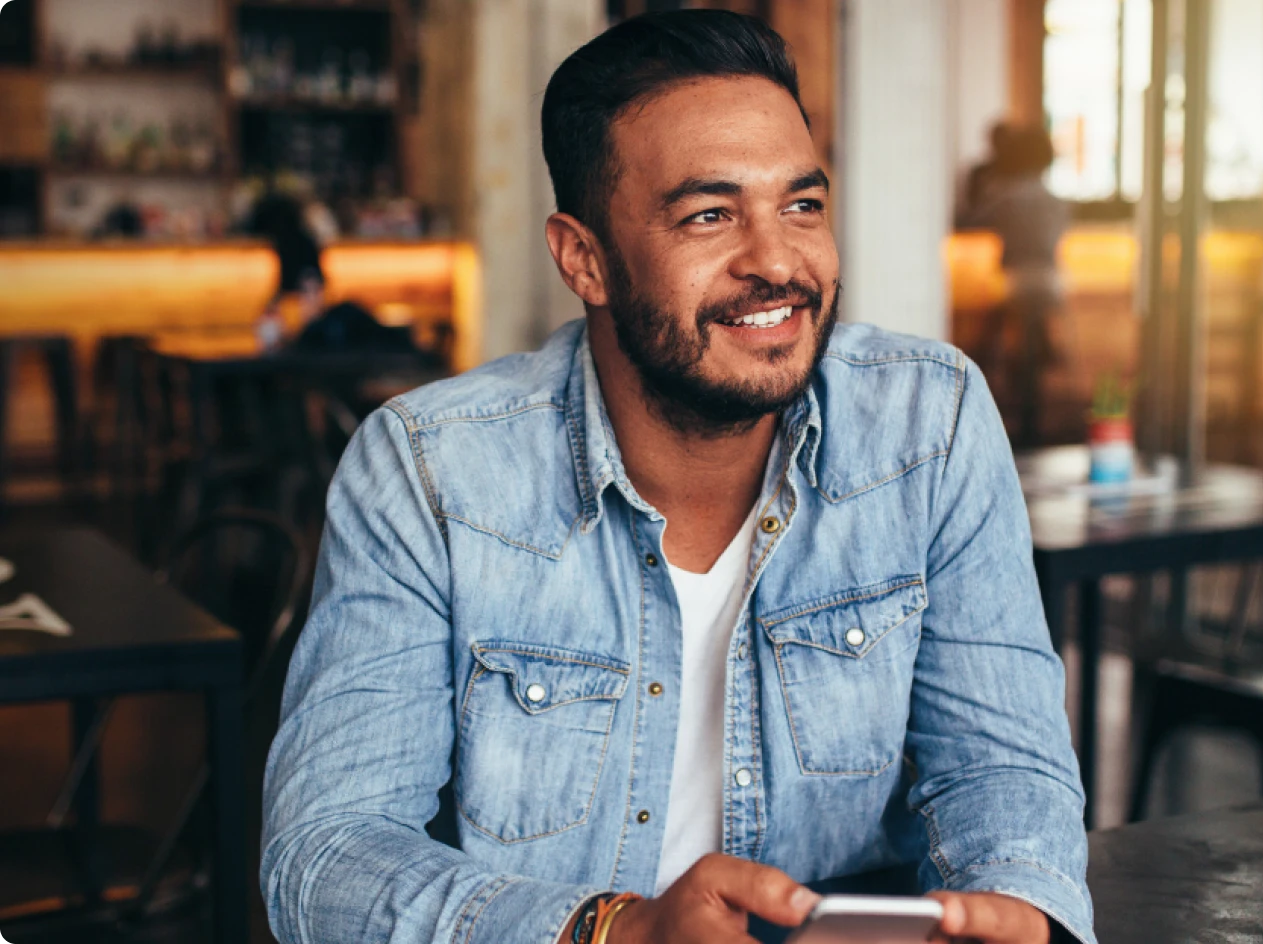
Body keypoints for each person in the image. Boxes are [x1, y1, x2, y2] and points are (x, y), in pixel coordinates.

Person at [262, 11, 1093, 944]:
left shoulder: (926, 422)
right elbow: (326, 857)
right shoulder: (429, 472)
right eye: (709, 215)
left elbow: (1000, 767)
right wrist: (617, 933)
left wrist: (1026, 910)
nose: (777, 262)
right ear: (585, 259)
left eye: (802, 206)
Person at [956, 123, 1069, 446]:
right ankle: (1039, 361)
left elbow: (968, 221)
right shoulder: (1055, 200)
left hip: (1016, 280)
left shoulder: (1006, 196)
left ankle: (990, 391)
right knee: (1026, 329)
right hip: (1051, 281)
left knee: (994, 327)